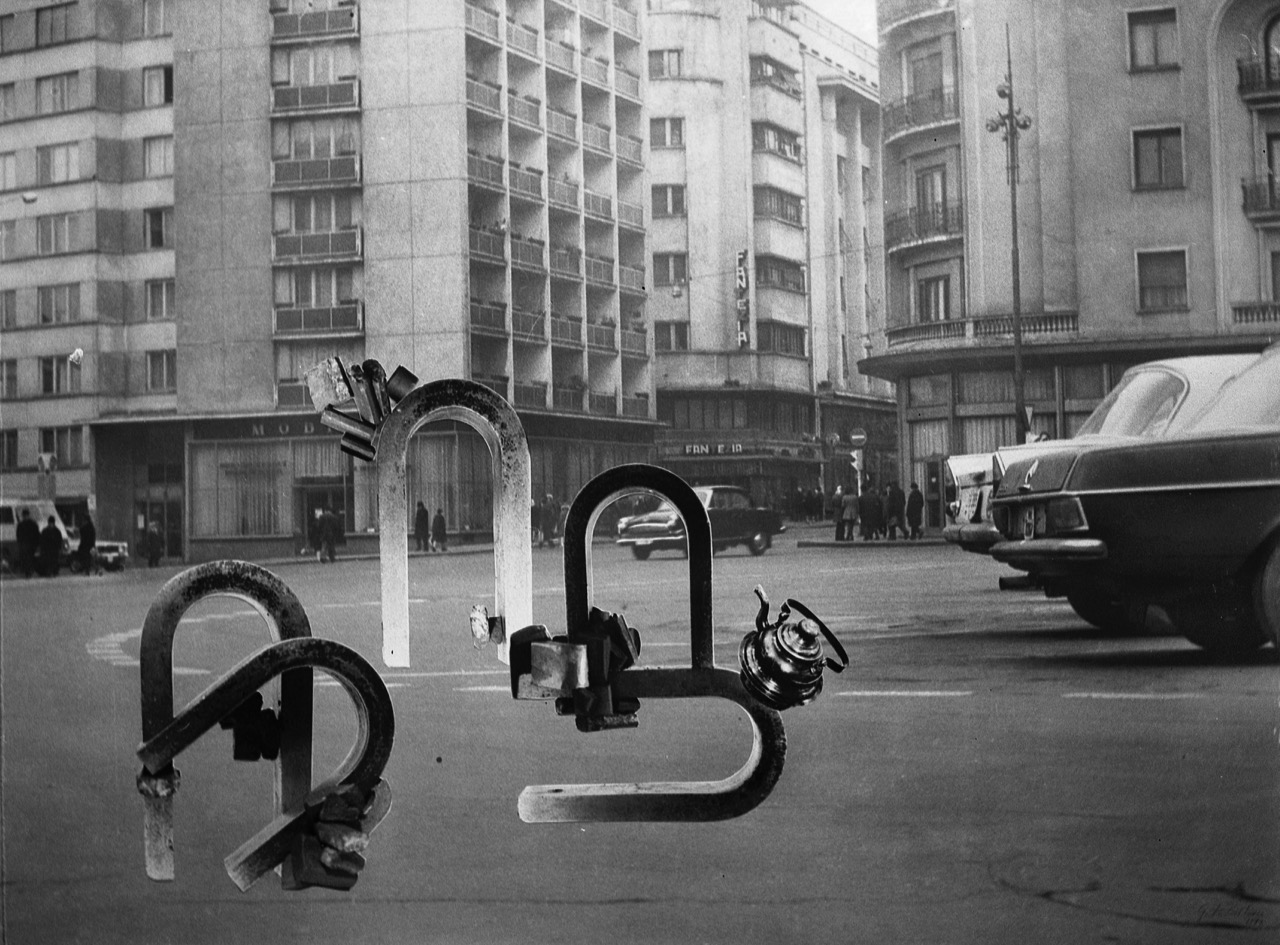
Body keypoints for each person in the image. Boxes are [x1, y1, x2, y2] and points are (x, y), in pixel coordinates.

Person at [15, 508, 39, 578]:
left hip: (30, 545)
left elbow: (36, 535)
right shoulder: (22, 524)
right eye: (24, 515)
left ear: (28, 515)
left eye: (26, 515)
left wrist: (36, 544)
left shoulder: (31, 524)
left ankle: (29, 572)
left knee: (29, 559)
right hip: (25, 545)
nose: (25, 517)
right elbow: (18, 535)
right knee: (26, 559)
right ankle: (28, 572)